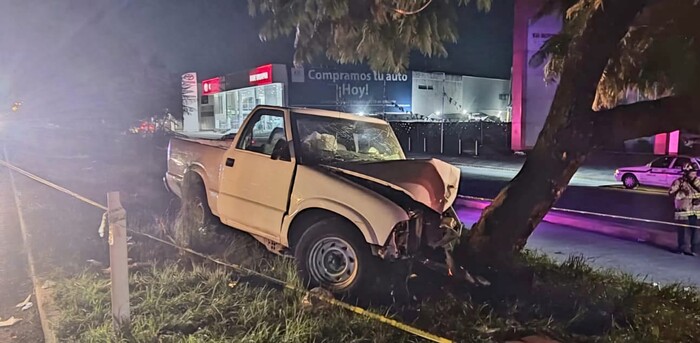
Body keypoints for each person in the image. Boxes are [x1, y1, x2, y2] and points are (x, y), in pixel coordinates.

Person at [669, 163, 700, 256]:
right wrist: (681, 192)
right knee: (683, 230)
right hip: (683, 210)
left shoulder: (698, 182)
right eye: (692, 172)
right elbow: (671, 192)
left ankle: (695, 249)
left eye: (695, 172)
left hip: (696, 210)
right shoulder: (679, 182)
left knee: (696, 230)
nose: (694, 174)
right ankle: (683, 248)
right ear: (686, 172)